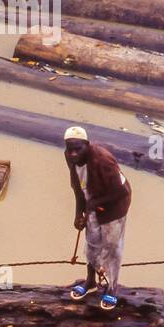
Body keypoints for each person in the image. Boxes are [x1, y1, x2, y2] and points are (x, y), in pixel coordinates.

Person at [63, 125, 132, 311]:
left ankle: (112, 288)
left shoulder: (103, 160)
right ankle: (90, 281)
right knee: (92, 243)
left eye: (78, 149)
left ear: (87, 145)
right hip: (92, 201)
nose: (74, 154)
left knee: (111, 247)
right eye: (70, 149)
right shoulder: (69, 156)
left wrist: (93, 204)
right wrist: (79, 212)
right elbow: (78, 187)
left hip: (114, 206)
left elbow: (120, 190)